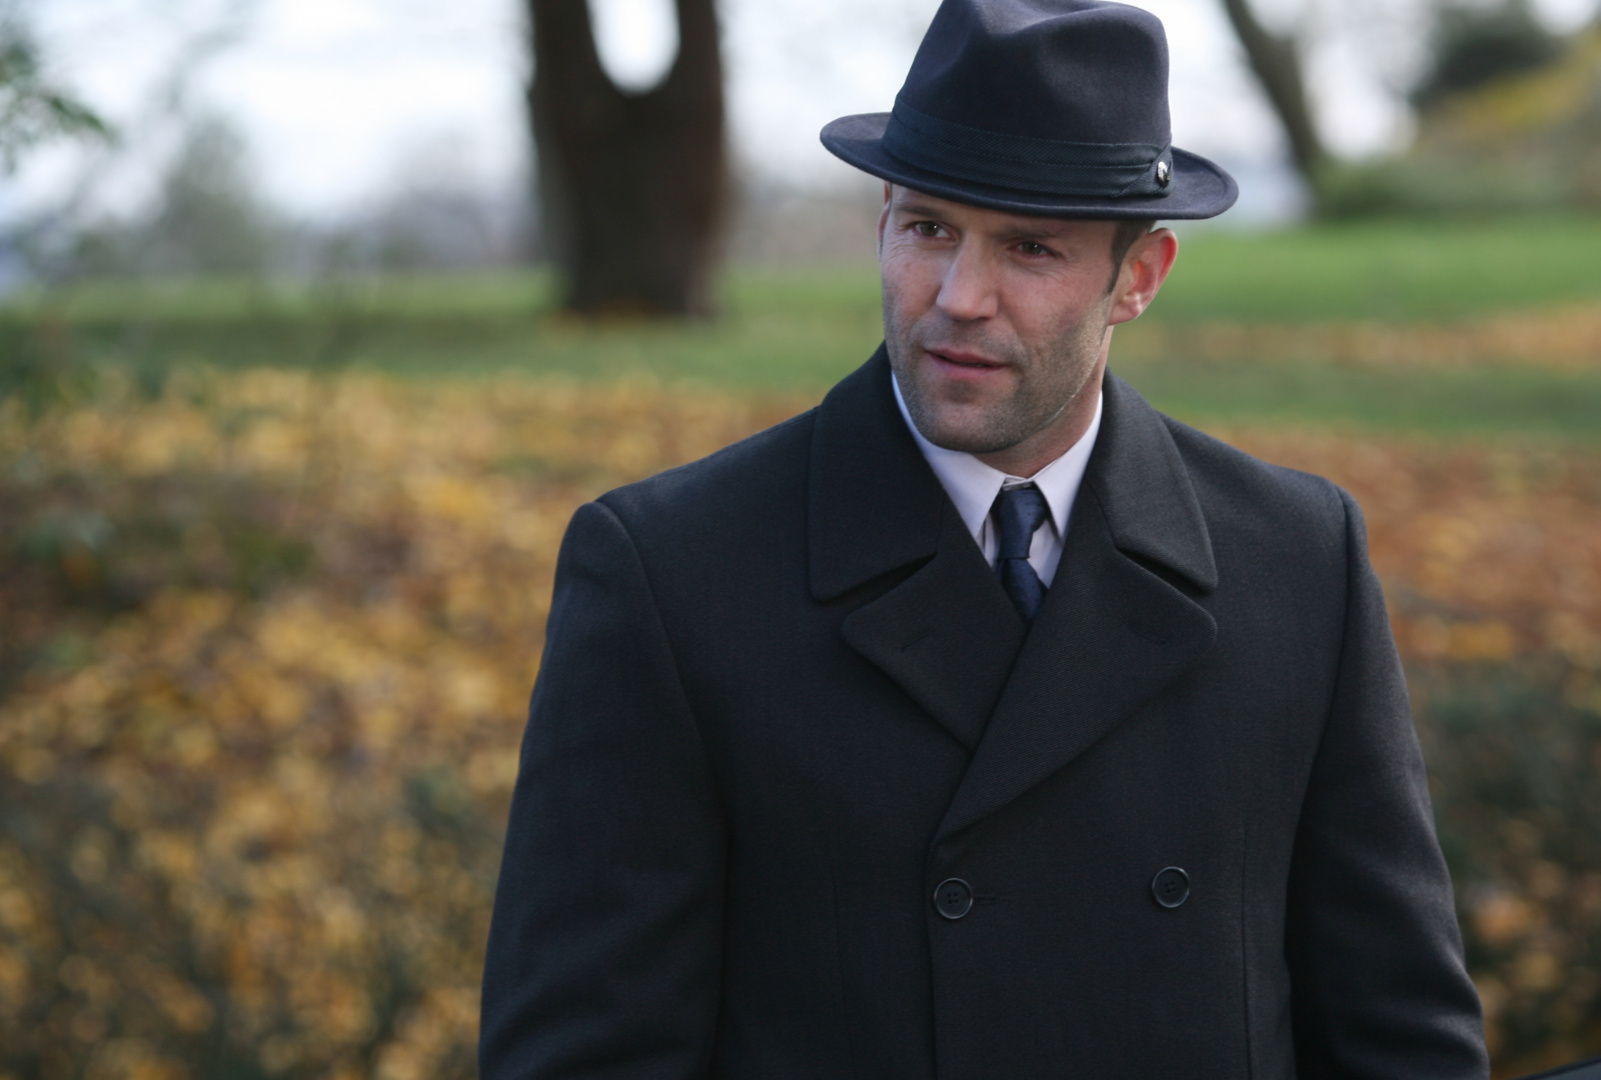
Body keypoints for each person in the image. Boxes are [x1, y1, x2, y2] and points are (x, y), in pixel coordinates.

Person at [478, 1, 1488, 1077]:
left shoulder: (1296, 562)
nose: (960, 298)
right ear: (882, 221)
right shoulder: (671, 575)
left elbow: (1402, 1044)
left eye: (1030, 248)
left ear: (1139, 277)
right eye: (929, 229)